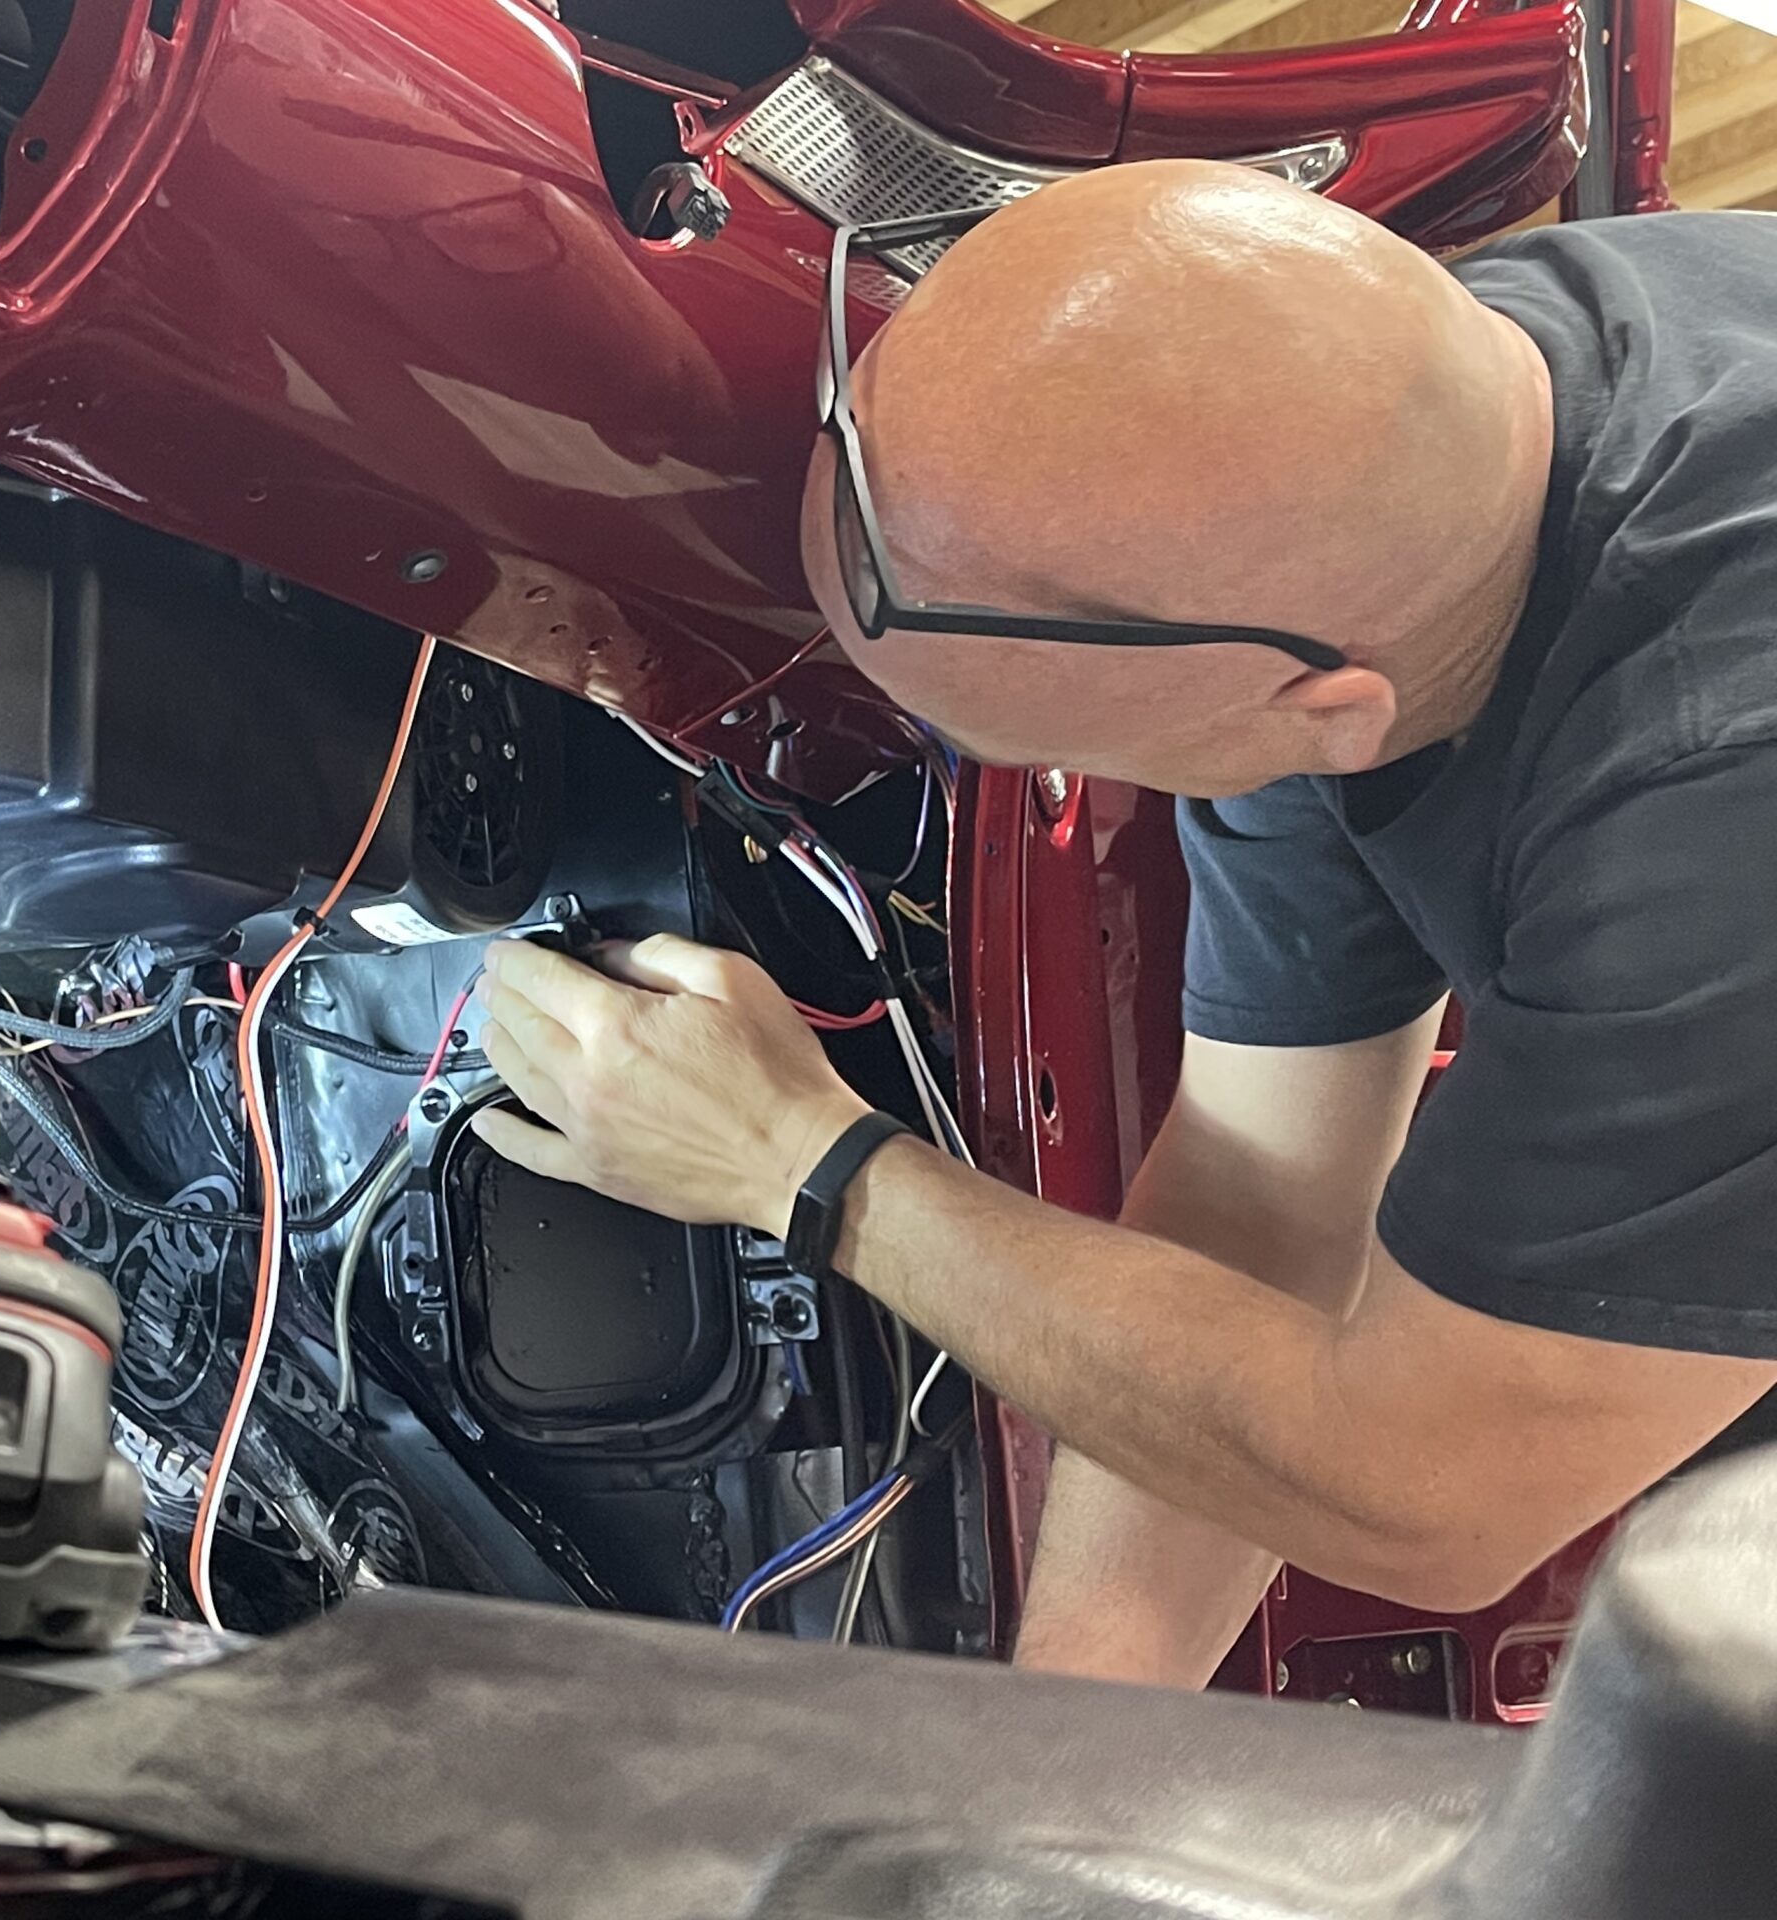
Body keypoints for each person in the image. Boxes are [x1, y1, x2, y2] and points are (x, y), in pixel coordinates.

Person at [467, 159, 1777, 1687]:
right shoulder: (1369, 445)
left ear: (1328, 712)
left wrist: (804, 1167)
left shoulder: (1708, 818)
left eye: (1038, 747)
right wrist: (1057, 1750)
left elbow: (1435, 1490)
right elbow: (1258, 1208)